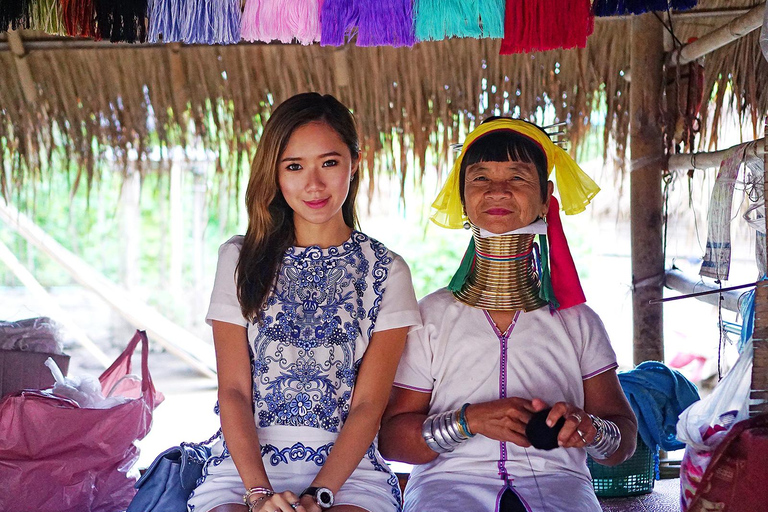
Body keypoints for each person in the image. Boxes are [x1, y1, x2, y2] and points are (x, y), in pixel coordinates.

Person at [379, 118, 637, 512]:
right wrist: (469, 421)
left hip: (560, 486)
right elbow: (394, 439)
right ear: (462, 197)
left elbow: (623, 439)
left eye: (518, 177)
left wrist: (591, 429)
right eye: (480, 178)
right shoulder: (431, 317)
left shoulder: (577, 321)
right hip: (447, 486)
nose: (497, 190)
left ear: (545, 196)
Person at [189, 93, 421, 512]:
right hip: (244, 469)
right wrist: (259, 496)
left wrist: (320, 494)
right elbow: (235, 391)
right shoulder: (240, 259)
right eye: (294, 167)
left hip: (349, 472)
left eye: (329, 163)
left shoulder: (387, 270)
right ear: (275, 175)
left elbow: (369, 406)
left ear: (355, 162)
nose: (313, 184)